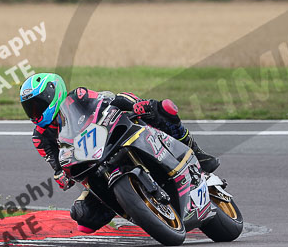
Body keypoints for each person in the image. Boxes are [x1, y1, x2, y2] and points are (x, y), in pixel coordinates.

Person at [19, 72, 219, 233]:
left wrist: (136, 105)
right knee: (83, 218)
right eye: (30, 109)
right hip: (92, 164)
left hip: (115, 134)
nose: (34, 112)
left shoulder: (78, 96)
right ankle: (133, 205)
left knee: (160, 109)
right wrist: (61, 175)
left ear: (52, 95)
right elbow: (56, 164)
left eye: (38, 105)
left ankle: (195, 151)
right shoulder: (40, 137)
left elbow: (110, 100)